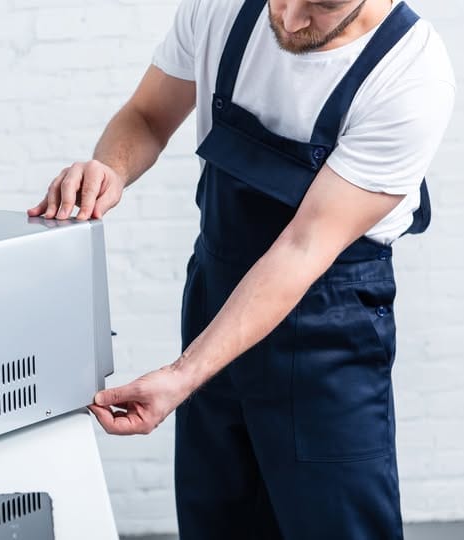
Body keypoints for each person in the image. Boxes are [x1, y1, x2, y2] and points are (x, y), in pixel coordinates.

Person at [27, 0, 455, 538]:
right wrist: (110, 169)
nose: (292, 19)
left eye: (321, 8)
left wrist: (182, 375)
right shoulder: (220, 8)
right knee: (218, 520)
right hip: (215, 300)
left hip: (331, 330)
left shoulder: (409, 73)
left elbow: (302, 249)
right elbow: (148, 116)